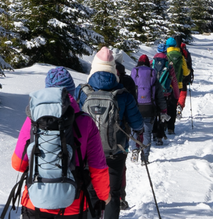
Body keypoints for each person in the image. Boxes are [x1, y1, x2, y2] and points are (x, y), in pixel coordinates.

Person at [11, 67, 111, 218]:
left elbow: (18, 164)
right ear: (70, 92)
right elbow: (97, 167)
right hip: (73, 204)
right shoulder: (85, 121)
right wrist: (104, 196)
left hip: (35, 202)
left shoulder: (33, 120)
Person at [82, 47, 144, 219]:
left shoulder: (83, 93)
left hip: (89, 153)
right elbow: (137, 122)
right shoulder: (123, 94)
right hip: (115, 151)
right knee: (113, 193)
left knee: (91, 192)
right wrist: (139, 132)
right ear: (113, 69)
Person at [129, 55, 158, 159]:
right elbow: (158, 94)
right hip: (149, 108)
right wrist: (163, 110)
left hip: (136, 107)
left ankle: (134, 150)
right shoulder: (152, 73)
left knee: (134, 130)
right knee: (147, 133)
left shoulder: (134, 72)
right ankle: (144, 157)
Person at [151, 53, 178, 143]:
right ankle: (160, 138)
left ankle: (154, 133)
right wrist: (176, 95)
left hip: (154, 93)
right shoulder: (169, 67)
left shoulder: (152, 64)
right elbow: (174, 81)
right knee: (162, 115)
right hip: (165, 94)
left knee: (155, 114)